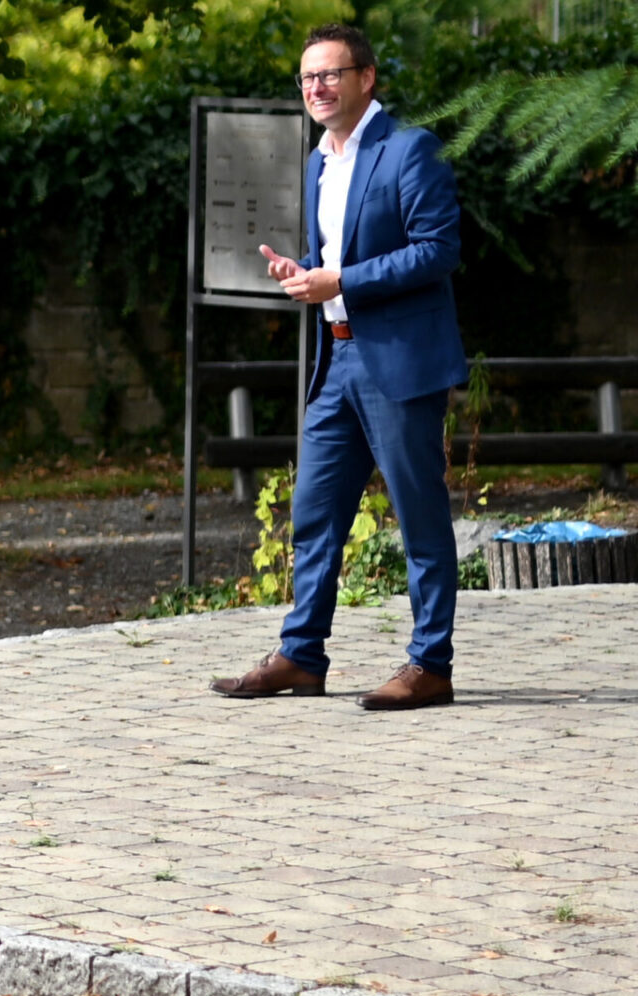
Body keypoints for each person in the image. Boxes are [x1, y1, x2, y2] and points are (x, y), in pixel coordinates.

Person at [213, 23, 465, 712]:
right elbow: (335, 255)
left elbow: (438, 250)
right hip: (337, 359)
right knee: (314, 513)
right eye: (306, 79)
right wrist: (307, 275)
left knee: (420, 517)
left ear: (366, 78)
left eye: (328, 74)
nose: (315, 88)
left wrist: (342, 279)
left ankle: (431, 663)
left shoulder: (410, 150)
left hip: (401, 365)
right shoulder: (316, 161)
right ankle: (301, 654)